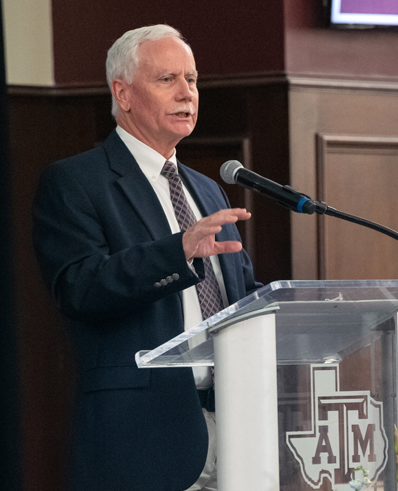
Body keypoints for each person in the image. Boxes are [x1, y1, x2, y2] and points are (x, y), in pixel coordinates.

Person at [32, 24, 261, 491]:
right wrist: (177, 252)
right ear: (124, 93)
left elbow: (240, 297)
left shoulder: (207, 189)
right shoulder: (77, 182)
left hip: (237, 430)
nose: (187, 94)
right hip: (144, 438)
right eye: (168, 80)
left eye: (192, 80)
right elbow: (80, 287)